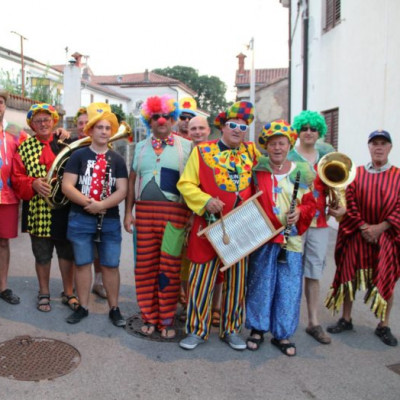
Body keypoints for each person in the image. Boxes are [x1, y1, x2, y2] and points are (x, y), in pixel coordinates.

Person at [177, 101, 259, 351]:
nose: (237, 130)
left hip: (240, 227)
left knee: (236, 282)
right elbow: (186, 184)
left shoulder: (252, 153)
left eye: (243, 127)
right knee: (201, 278)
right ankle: (196, 329)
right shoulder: (202, 152)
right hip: (208, 225)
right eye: (233, 125)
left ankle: (232, 329)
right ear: (222, 126)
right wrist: (204, 201)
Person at [245, 120, 316, 356]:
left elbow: (310, 204)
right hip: (263, 238)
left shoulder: (301, 172)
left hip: (290, 241)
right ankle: (257, 328)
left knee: (288, 287)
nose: (277, 148)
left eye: (282, 143)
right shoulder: (258, 170)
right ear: (266, 146)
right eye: (273, 144)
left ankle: (283, 334)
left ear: (289, 145)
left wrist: (300, 212)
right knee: (260, 284)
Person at [124, 95, 192, 339]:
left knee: (170, 268)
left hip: (174, 215)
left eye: (165, 116)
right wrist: (127, 213)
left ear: (172, 120)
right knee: (145, 268)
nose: (161, 120)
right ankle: (149, 317)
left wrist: (190, 217)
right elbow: (132, 181)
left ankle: (166, 319)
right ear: (149, 121)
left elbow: (193, 183)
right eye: (155, 117)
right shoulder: (140, 148)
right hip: (144, 215)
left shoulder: (187, 146)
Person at [326, 130, 400, 347]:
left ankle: (383, 324)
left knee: (387, 279)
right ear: (369, 147)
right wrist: (363, 226)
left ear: (389, 148)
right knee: (348, 277)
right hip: (358, 234)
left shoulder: (398, 176)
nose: (378, 147)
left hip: (386, 236)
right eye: (374, 143)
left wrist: (381, 227)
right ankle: (346, 319)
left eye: (383, 144)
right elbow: (350, 202)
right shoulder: (355, 174)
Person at [61, 103, 128, 326]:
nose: (103, 132)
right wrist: (88, 203)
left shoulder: (117, 159)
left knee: (110, 264)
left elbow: (123, 190)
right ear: (90, 130)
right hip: (80, 217)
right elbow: (67, 186)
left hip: (108, 220)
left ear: (111, 132)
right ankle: (83, 306)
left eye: (107, 128)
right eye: (99, 127)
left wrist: (101, 206)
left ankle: (114, 307)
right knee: (82, 263)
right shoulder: (78, 155)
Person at [11, 103, 77, 312]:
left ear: (54, 121)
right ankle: (44, 292)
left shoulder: (65, 142)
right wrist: (32, 183)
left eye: (46, 120)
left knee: (67, 254)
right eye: (38, 121)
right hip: (38, 210)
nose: (43, 124)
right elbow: (16, 177)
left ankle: (69, 292)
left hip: (63, 208)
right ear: (31, 124)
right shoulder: (24, 147)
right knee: (42, 255)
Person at [288, 110, 343, 344]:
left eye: (313, 128)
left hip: (320, 223)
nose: (308, 132)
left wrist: (341, 205)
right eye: (304, 128)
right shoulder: (288, 154)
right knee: (290, 272)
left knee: (313, 273)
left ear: (319, 131)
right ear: (298, 131)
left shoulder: (326, 157)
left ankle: (313, 322)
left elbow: (337, 187)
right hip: (293, 223)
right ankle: (286, 321)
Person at [73, 106, 107, 299]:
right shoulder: (71, 145)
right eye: (80, 124)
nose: (83, 126)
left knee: (99, 246)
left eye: (88, 123)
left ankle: (99, 282)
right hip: (76, 204)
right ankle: (76, 284)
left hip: (100, 204)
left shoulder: (104, 147)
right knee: (77, 247)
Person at [0, 88, 29, 305]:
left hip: (7, 197)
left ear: (5, 105)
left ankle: (3, 287)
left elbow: (38, 147)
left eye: (0, 102)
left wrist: (61, 134)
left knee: (2, 243)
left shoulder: (16, 131)